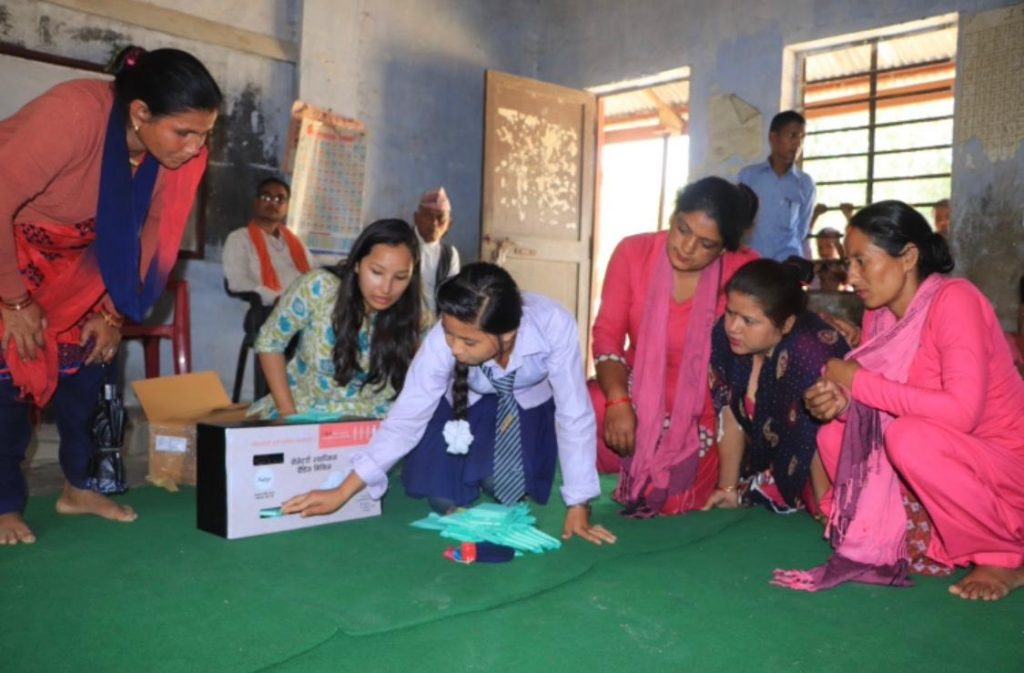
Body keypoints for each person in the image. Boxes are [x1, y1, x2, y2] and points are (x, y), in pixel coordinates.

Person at [0, 46, 221, 545]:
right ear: (140, 113)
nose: (195, 147)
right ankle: (3, 503)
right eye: (184, 132)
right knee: (9, 370)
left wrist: (112, 312)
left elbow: (152, 236)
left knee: (94, 362)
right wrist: (13, 301)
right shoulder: (74, 114)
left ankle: (81, 488)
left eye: (205, 133)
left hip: (81, 266)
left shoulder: (177, 156)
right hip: (9, 250)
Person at [783, 200, 1024, 600]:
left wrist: (857, 382)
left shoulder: (955, 300)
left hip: (1005, 461)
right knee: (832, 436)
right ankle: (924, 534)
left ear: (908, 256)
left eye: (862, 261)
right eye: (848, 261)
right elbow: (880, 404)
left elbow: (959, 412)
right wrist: (841, 403)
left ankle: (1006, 555)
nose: (852, 274)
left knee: (910, 439)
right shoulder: (879, 314)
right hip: (953, 456)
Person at [282, 262, 615, 545]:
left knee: (499, 485)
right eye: (450, 334)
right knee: (442, 496)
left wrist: (579, 504)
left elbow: (574, 413)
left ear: (507, 336)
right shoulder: (444, 341)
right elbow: (407, 417)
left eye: (468, 341)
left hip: (523, 407)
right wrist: (342, 491)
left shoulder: (554, 324)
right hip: (461, 404)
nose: (454, 348)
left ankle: (504, 469)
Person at [589, 177, 759, 518]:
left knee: (674, 501)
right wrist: (619, 400)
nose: (687, 247)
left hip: (708, 402)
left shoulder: (743, 269)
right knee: (591, 403)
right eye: (682, 229)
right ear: (673, 217)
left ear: (725, 248)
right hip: (638, 390)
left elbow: (776, 318)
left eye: (706, 244)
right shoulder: (633, 253)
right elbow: (607, 336)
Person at [704, 259, 849, 514]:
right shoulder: (723, 336)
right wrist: (727, 489)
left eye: (749, 321)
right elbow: (729, 413)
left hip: (826, 475)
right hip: (767, 476)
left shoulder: (809, 353)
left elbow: (816, 438)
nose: (733, 328)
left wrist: (825, 511)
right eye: (730, 312)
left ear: (787, 325)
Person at [248, 219, 422, 420]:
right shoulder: (319, 288)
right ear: (357, 264)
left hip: (373, 421)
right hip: (307, 413)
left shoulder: (409, 313)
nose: (386, 288)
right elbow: (270, 342)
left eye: (400, 277)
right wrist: (288, 415)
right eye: (376, 272)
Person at [223, 177, 313, 308]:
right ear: (256, 202)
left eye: (279, 199)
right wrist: (276, 299)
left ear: (287, 207)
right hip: (264, 311)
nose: (273, 204)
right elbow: (237, 282)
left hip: (300, 308)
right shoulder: (239, 238)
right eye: (266, 197)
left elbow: (312, 266)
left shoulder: (294, 242)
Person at [739, 110, 817, 261]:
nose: (797, 144)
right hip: (752, 264)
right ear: (773, 137)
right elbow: (739, 223)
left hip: (787, 266)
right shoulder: (748, 176)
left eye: (802, 138)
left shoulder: (806, 184)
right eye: (792, 136)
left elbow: (801, 231)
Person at [413, 187, 460, 315]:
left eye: (441, 218)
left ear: (449, 225)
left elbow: (451, 297)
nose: (434, 223)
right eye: (428, 216)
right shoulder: (401, 244)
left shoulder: (450, 255)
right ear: (416, 218)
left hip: (434, 326)